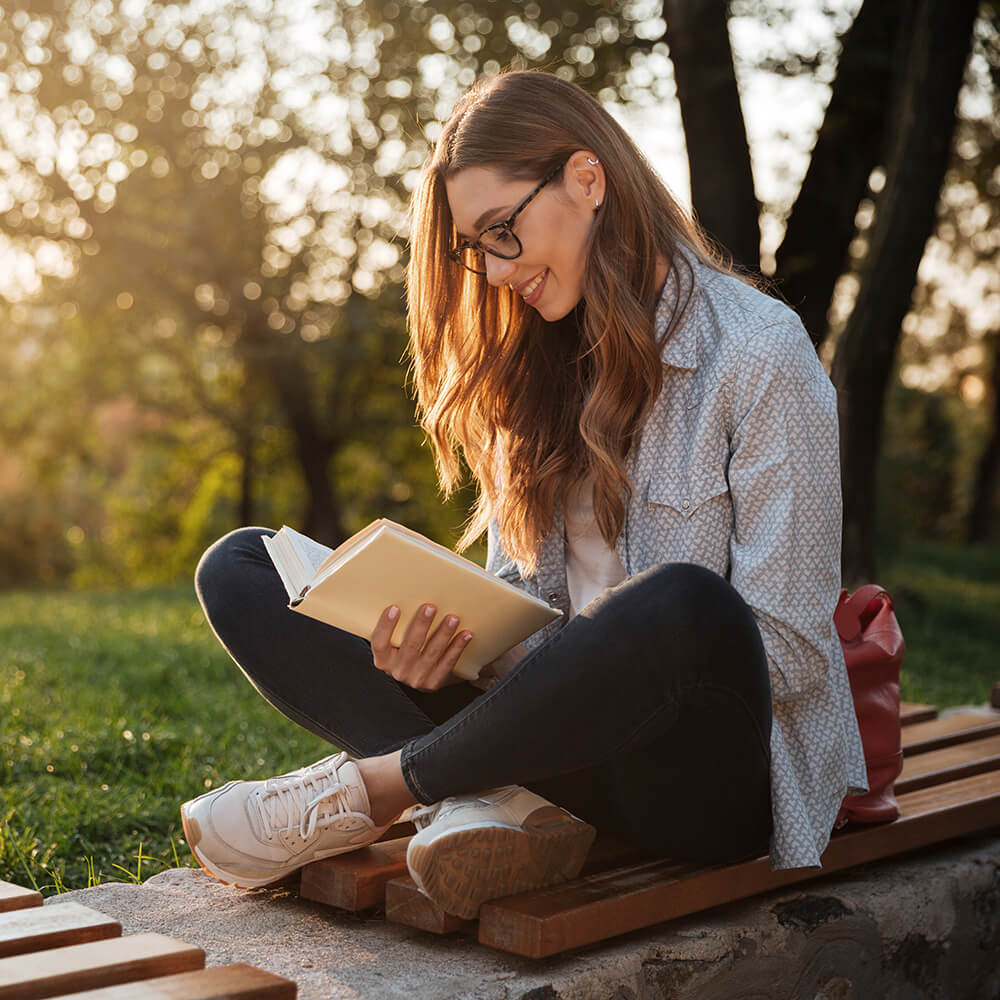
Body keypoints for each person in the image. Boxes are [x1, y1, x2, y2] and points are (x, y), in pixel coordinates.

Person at [181, 70, 867, 920]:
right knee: (245, 568)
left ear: (587, 179)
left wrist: (595, 659)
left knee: (684, 605)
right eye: (477, 247)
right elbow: (521, 605)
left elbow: (789, 651)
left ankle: (382, 788)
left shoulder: (760, 353)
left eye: (504, 230)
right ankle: (497, 803)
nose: (497, 270)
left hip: (699, 786)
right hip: (550, 749)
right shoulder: (533, 367)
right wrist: (452, 643)